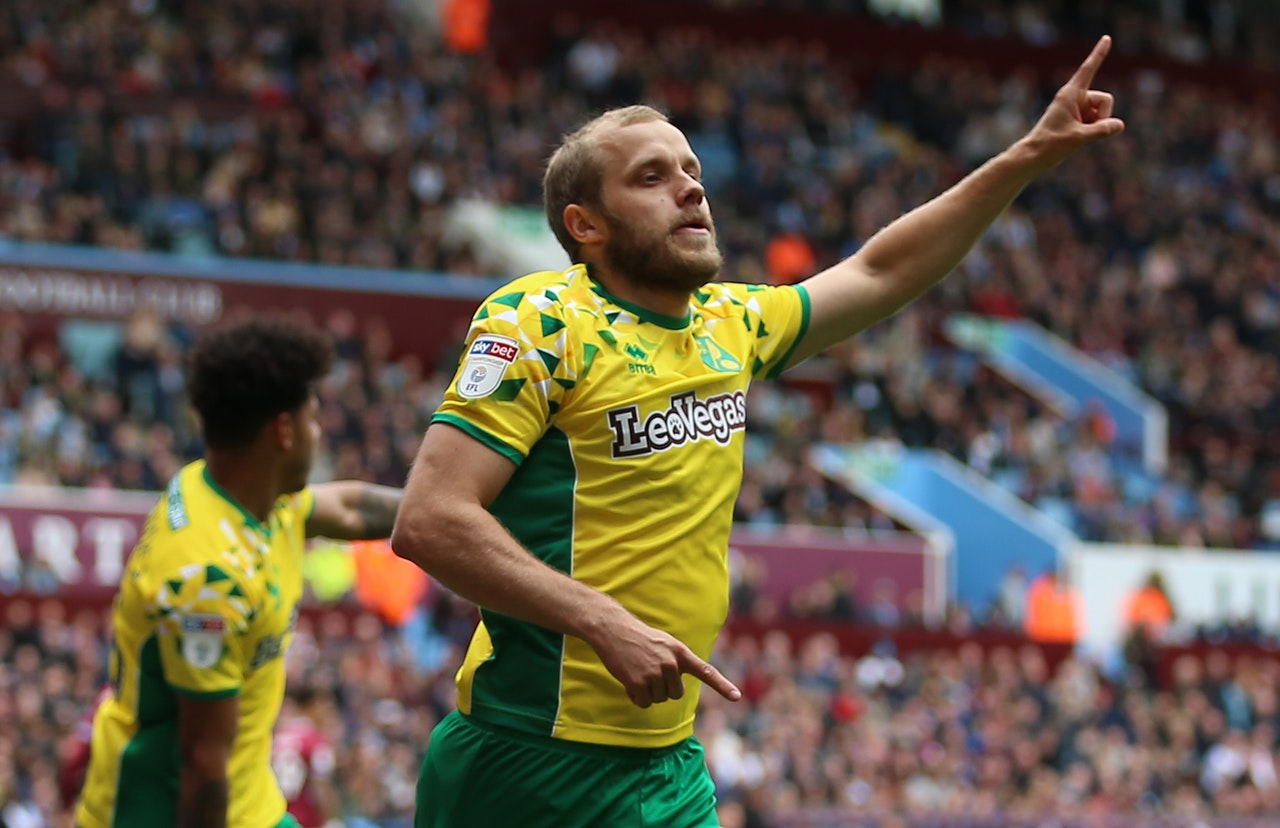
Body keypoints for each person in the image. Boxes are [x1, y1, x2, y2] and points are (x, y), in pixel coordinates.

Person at [391, 36, 1124, 828]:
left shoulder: (732, 322)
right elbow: (430, 519)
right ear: (586, 225)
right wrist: (601, 620)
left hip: (667, 767)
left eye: (691, 171)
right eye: (652, 177)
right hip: (524, 761)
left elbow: (881, 270)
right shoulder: (540, 320)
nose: (690, 188)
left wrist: (1027, 155)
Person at [76, 316, 404, 828]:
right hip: (169, 813)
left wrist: (452, 505)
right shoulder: (208, 582)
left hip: (253, 803)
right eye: (313, 420)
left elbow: (347, 508)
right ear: (283, 431)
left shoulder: (246, 494)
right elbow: (202, 765)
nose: (319, 434)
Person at [272, 685, 340, 828]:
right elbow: (321, 785)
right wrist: (330, 818)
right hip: (302, 819)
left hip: (275, 815)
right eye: (325, 706)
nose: (328, 712)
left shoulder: (280, 734)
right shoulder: (315, 741)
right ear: (312, 706)